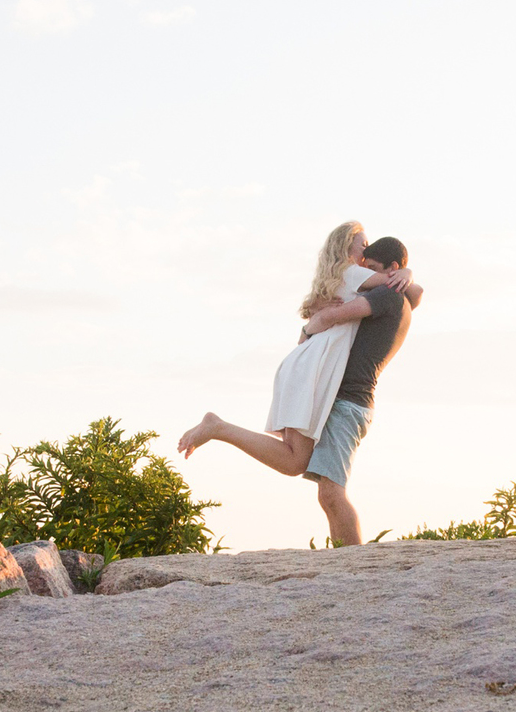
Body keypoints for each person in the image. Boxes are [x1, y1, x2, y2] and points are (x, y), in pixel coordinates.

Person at [179, 222, 422, 547]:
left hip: (349, 400)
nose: (366, 270)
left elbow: (331, 317)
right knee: (313, 477)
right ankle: (352, 567)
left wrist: (318, 321)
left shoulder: (389, 294)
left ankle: (357, 570)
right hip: (328, 390)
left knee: (326, 488)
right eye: (363, 254)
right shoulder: (379, 288)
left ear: (391, 270)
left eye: (376, 268)